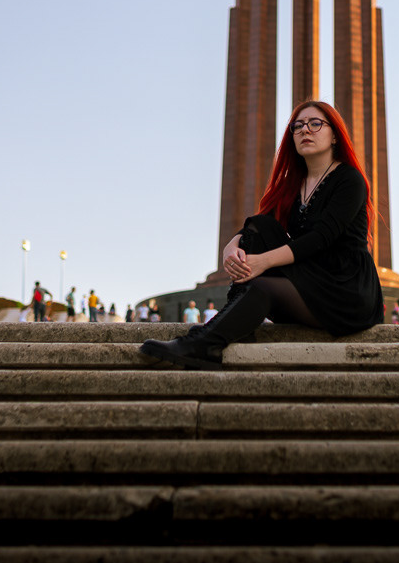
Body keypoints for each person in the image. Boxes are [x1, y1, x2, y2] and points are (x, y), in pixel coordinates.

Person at [140, 100, 384, 369]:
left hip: (345, 291)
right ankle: (235, 320)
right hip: (311, 279)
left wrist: (263, 262)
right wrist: (231, 246)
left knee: (261, 286)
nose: (305, 130)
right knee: (261, 227)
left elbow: (321, 238)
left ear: (335, 135)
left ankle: (204, 344)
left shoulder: (349, 179)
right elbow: (260, 223)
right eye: (298, 126)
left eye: (316, 124)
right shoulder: (295, 184)